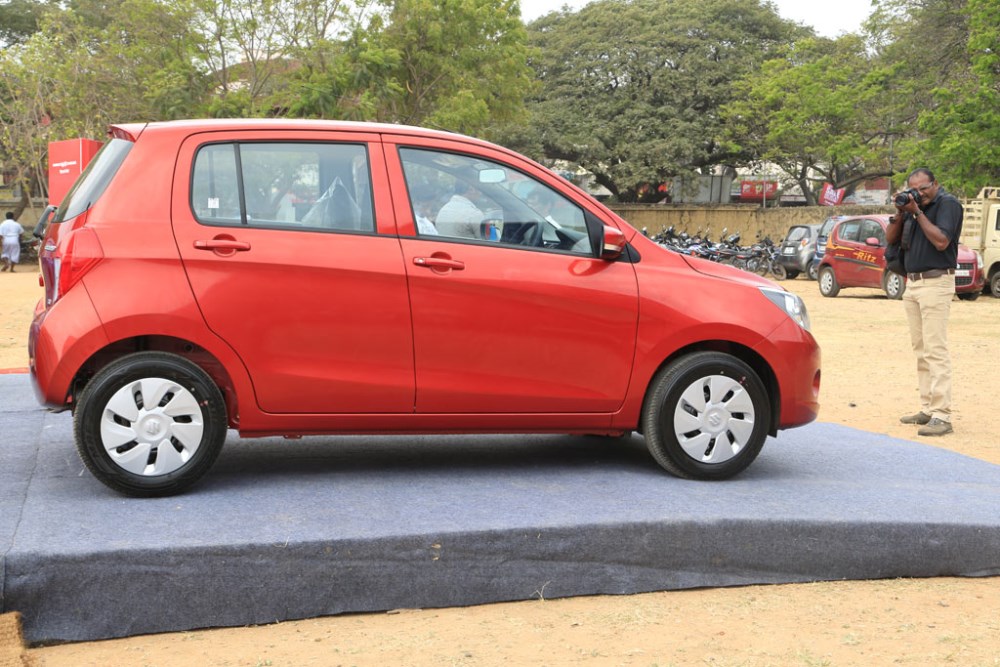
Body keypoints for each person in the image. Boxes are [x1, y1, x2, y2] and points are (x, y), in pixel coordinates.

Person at [886, 167, 962, 436]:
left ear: (936, 184)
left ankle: (942, 415)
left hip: (936, 282)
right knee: (920, 350)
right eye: (913, 190)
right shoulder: (911, 208)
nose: (918, 194)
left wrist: (917, 212)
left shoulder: (948, 204)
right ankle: (928, 408)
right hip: (914, 284)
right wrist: (900, 211)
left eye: (923, 188)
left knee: (935, 350)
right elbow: (890, 239)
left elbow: (942, 241)